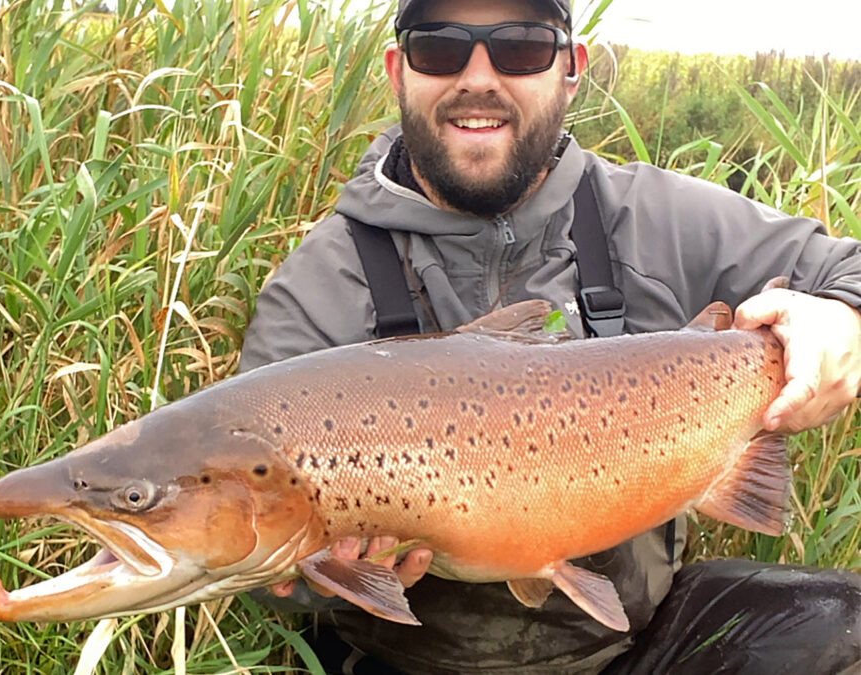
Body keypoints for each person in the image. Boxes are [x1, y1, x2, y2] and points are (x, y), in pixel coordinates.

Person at [238, 0, 861, 672]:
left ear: (571, 70)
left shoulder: (656, 217)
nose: (479, 77)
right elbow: (256, 556)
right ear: (398, 71)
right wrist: (310, 574)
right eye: (441, 48)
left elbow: (847, 269)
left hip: (636, 642)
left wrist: (842, 317)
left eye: (522, 47)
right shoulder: (316, 290)